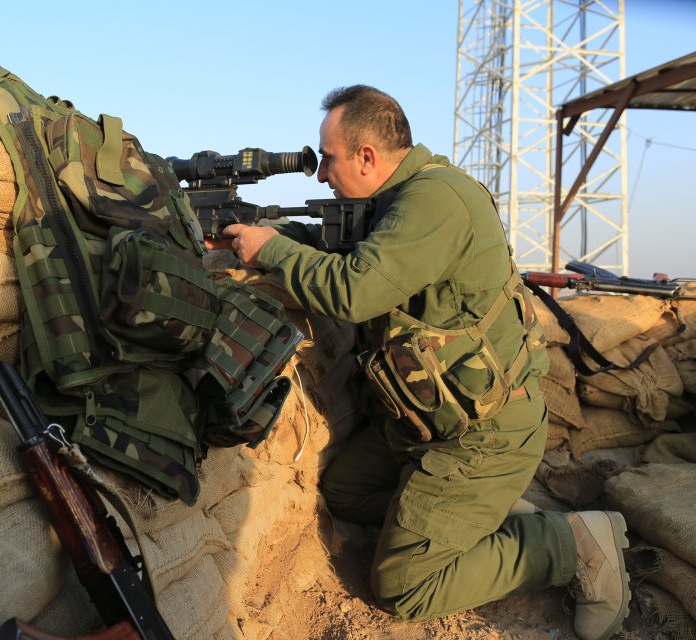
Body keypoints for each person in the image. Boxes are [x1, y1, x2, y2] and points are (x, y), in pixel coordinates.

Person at [217, 85, 630, 640]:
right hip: (426, 425)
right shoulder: (397, 201)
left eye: (329, 158)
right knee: (345, 491)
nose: (321, 175)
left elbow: (355, 290)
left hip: (482, 435)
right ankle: (479, 521)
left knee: (404, 584)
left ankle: (573, 546)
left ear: (367, 156)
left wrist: (270, 250)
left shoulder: (435, 200)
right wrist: (262, 232)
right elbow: (335, 246)